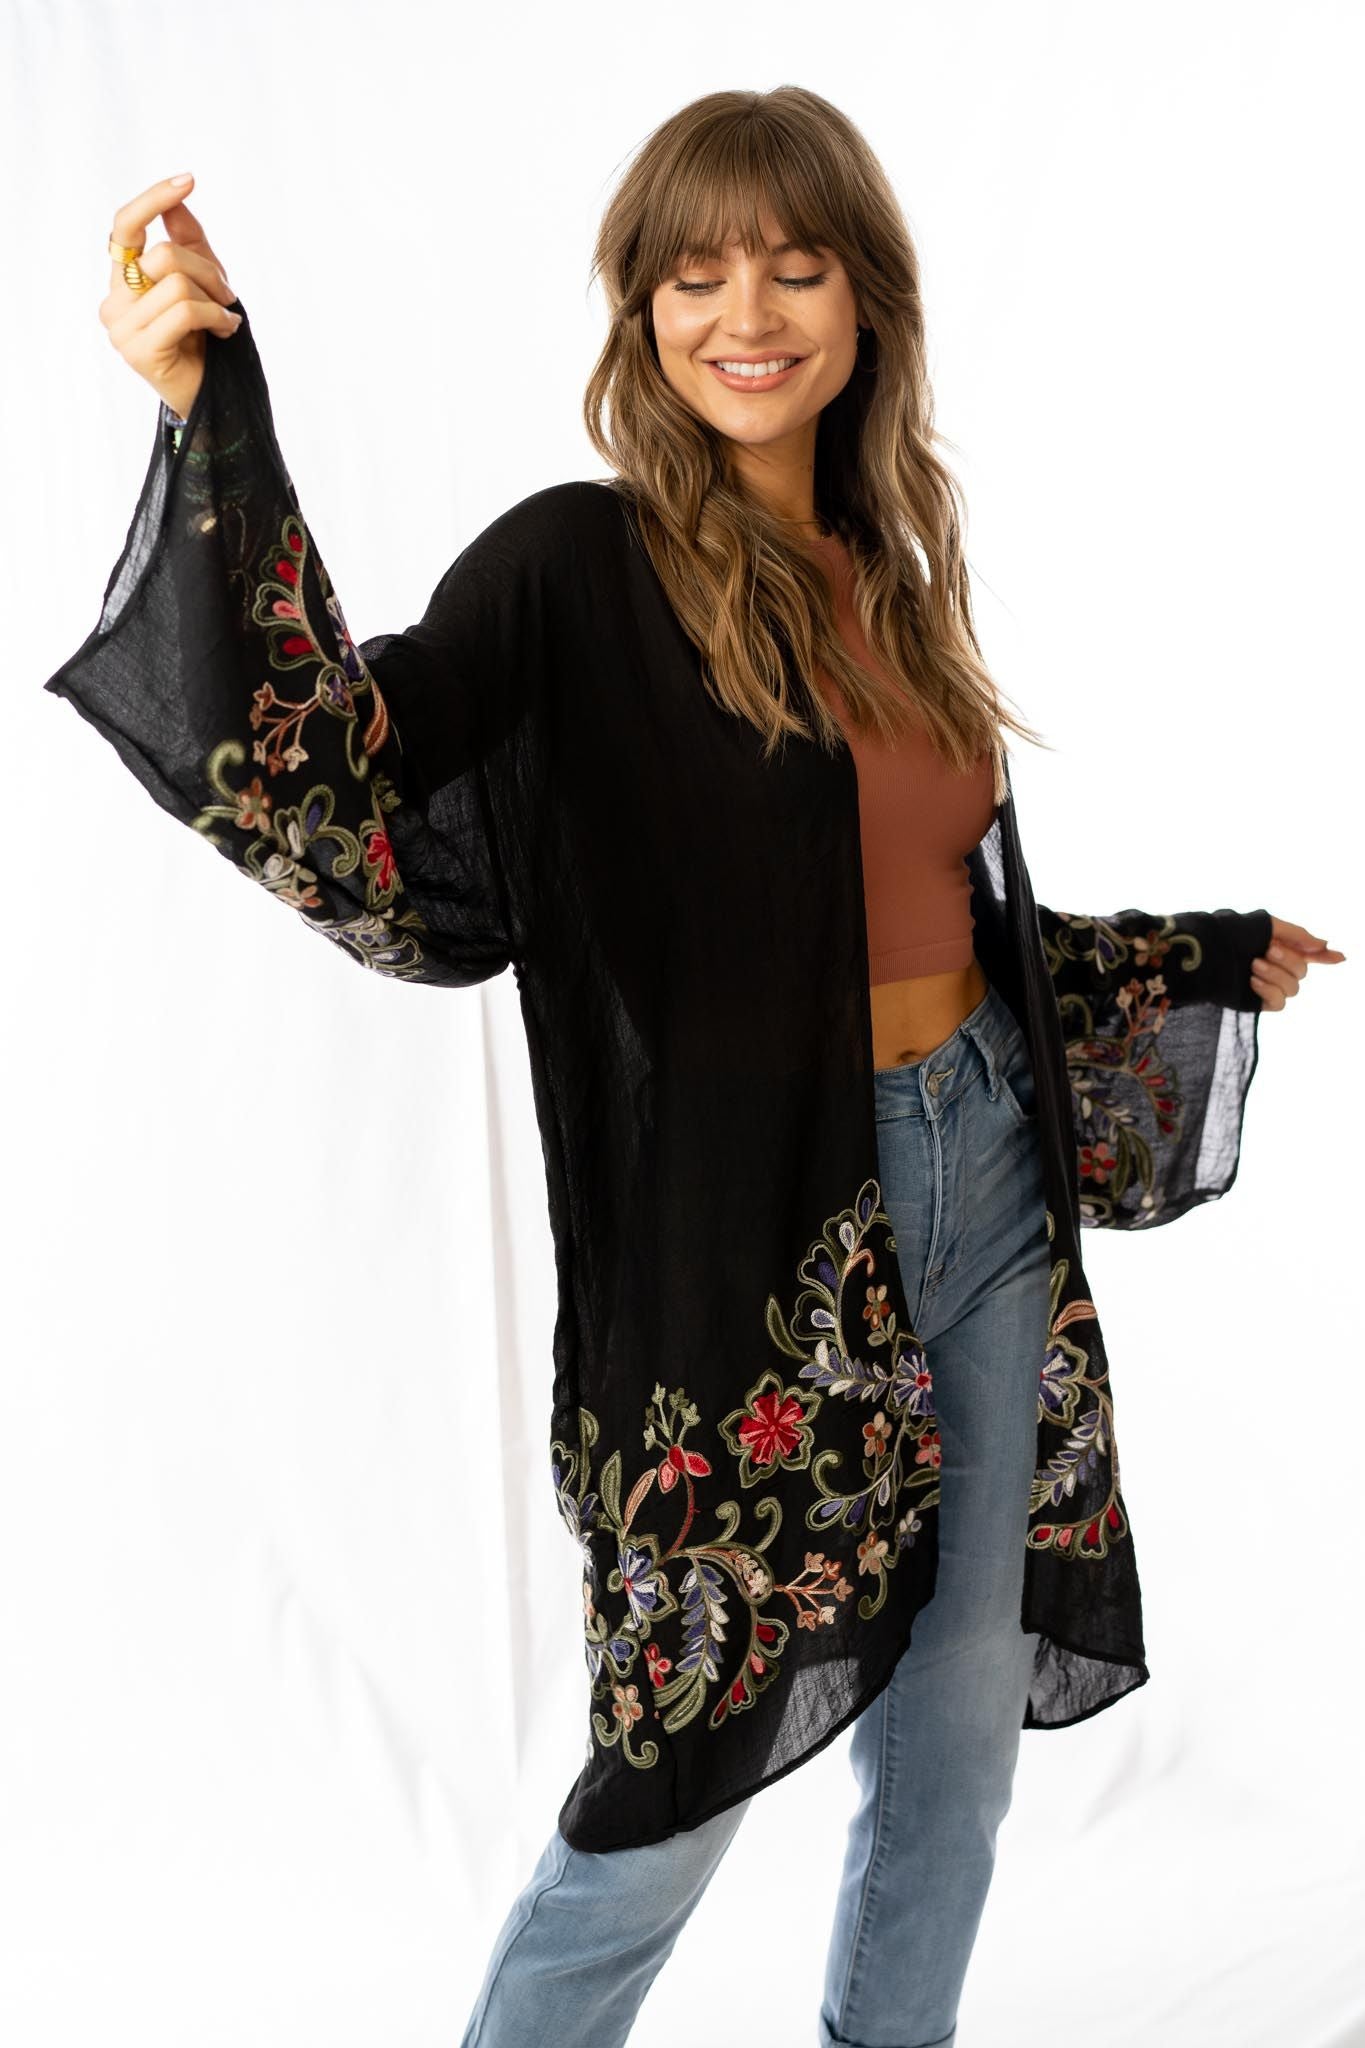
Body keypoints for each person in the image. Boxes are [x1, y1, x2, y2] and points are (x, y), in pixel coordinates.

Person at [50, 88, 1342, 2048]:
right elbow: (335, 751)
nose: (744, 309)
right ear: (641, 310)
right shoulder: (579, 571)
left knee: (952, 1759)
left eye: (793, 262)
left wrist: (1182, 954)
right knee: (666, 1790)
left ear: (862, 298)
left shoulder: (889, 569)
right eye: (693, 268)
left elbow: (917, 928)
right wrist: (206, 406)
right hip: (748, 1266)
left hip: (985, 1193)